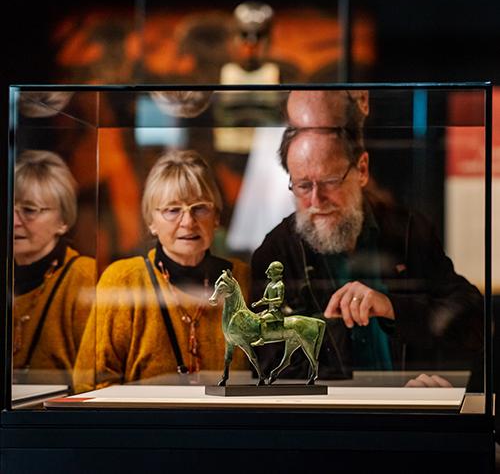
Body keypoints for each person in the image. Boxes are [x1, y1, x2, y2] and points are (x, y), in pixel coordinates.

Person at [251, 90, 484, 383]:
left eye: (330, 181)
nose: (316, 200)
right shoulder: (276, 254)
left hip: (411, 408)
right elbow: (270, 368)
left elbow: (474, 321)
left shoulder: (409, 231)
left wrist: (391, 307)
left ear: (361, 169)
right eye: (302, 186)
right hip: (332, 423)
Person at [74, 150, 249, 392]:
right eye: (172, 210)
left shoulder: (242, 279)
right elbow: (90, 384)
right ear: (151, 222)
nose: (188, 222)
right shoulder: (123, 280)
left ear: (216, 217)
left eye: (199, 208)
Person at [13, 150, 95, 386]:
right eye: (11, 207)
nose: (15, 221)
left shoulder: (83, 277)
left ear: (63, 221)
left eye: (29, 210)